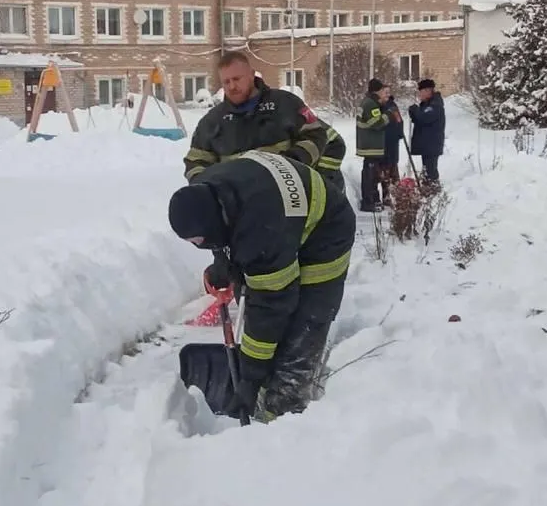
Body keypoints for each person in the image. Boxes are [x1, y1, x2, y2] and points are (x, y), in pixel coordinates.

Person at [168, 149, 356, 421]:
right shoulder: (208, 188)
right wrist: (224, 262)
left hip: (326, 232)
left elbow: (270, 305)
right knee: (255, 292)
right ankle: (263, 374)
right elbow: (224, 231)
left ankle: (281, 414)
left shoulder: (259, 228)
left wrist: (249, 377)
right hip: (278, 218)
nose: (201, 247)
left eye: (201, 241)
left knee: (306, 319)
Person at [183, 51, 346, 193]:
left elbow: (315, 135)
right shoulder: (212, 122)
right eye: (226, 82)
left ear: (252, 75)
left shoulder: (285, 104)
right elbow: (195, 162)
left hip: (291, 196)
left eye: (237, 79)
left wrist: (290, 166)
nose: (232, 86)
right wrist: (210, 190)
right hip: (241, 207)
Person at [356, 78, 390, 211]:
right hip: (370, 145)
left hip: (368, 144)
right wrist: (387, 115)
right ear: (378, 90)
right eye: (382, 90)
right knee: (370, 176)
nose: (384, 93)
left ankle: (372, 200)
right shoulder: (370, 104)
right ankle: (368, 202)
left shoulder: (368, 102)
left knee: (372, 174)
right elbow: (376, 124)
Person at [408, 78, 446, 183]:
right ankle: (428, 190)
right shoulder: (426, 104)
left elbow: (425, 117)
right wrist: (414, 114)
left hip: (432, 144)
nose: (419, 95)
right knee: (426, 170)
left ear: (428, 91)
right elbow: (420, 119)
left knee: (430, 171)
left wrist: (416, 111)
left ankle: (433, 191)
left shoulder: (435, 104)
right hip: (427, 144)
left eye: (421, 92)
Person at [380, 90, 405, 204]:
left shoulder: (392, 107)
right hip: (384, 143)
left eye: (386, 93)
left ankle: (397, 196)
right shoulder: (380, 106)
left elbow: (399, 122)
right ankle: (387, 195)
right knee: (385, 170)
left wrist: (398, 135)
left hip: (390, 143)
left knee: (391, 170)